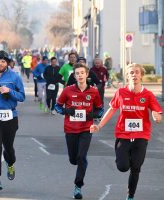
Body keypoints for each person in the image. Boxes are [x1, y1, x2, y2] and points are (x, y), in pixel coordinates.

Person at [90, 63, 162, 200]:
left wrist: (156, 115)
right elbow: (112, 110)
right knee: (123, 167)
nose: (134, 74)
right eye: (131, 73)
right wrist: (99, 126)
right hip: (123, 134)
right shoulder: (121, 93)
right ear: (128, 76)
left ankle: (130, 195)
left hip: (141, 135)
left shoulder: (148, 95)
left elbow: (156, 110)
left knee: (136, 167)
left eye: (137, 72)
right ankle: (124, 156)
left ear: (141, 75)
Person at [55, 63, 104, 199]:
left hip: (86, 129)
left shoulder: (93, 91)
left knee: (82, 157)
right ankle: (77, 160)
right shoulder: (68, 90)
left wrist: (93, 115)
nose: (80, 75)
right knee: (74, 159)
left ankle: (78, 186)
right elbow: (57, 107)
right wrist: (66, 110)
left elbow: (100, 109)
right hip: (70, 129)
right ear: (74, 76)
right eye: (77, 73)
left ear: (87, 74)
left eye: (82, 73)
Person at [0, 50, 25, 190]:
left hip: (10, 117)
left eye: (3, 61)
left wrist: (9, 91)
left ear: (7, 63)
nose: (0, 63)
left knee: (8, 147)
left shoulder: (15, 77)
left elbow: (22, 96)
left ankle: (10, 163)